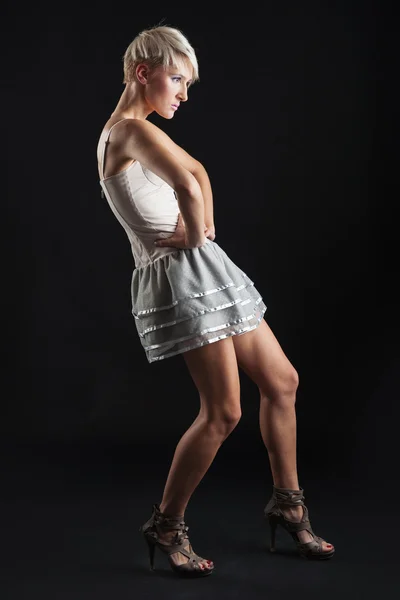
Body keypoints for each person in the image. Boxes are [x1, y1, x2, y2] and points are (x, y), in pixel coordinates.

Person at [96, 24, 335, 578]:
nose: (183, 92)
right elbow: (186, 179)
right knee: (224, 411)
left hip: (201, 268)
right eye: (177, 79)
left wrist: (201, 230)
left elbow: (198, 174)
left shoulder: (143, 131)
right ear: (143, 73)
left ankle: (288, 504)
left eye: (187, 83)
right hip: (180, 278)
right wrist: (198, 232)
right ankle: (165, 523)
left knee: (282, 382)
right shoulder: (128, 131)